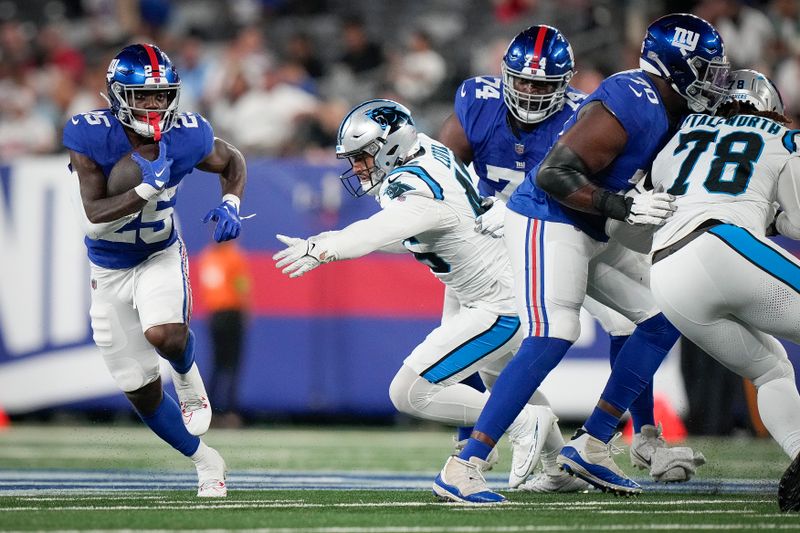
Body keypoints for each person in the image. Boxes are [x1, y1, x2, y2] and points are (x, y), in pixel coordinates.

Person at [434, 13, 725, 503]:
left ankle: (593, 442)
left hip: (589, 226)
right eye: (704, 67)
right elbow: (552, 176)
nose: (713, 79)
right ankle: (465, 463)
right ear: (675, 65)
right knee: (551, 334)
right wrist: (625, 204)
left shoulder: (674, 108)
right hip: (544, 218)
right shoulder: (630, 99)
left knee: (662, 316)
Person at [273, 98, 545, 481]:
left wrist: (324, 247)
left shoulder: (416, 186)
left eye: (363, 156)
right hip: (486, 286)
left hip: (498, 303)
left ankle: (519, 422)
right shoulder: (424, 149)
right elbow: (407, 232)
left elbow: (378, 231)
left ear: (391, 146)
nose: (357, 167)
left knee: (411, 392)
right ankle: (556, 463)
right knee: (502, 379)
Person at [63, 43, 247, 497]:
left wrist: (231, 201)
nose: (154, 104)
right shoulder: (90, 134)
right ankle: (207, 462)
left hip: (159, 253)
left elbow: (232, 160)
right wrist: (147, 187)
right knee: (139, 390)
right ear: (117, 94)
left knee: (165, 335)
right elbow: (92, 215)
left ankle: (188, 380)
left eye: (161, 95)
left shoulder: (186, 134)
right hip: (107, 269)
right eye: (142, 96)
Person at [646, 69, 800, 512]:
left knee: (771, 370)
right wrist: (772, 216)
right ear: (769, 105)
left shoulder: (679, 136)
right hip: (723, 242)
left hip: (667, 272)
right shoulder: (780, 135)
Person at [197, 240, 251, 428]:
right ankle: (230, 412)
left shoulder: (207, 257)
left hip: (214, 315)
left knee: (216, 365)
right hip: (231, 313)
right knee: (233, 365)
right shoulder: (234, 257)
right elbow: (242, 286)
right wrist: (246, 312)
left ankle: (209, 412)